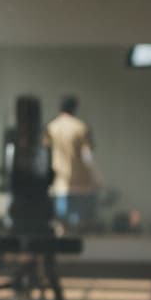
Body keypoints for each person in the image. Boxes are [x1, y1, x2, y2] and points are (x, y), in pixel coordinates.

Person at [43, 95, 99, 229]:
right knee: (77, 222)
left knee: (60, 221)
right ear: (75, 108)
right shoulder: (81, 127)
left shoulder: (51, 127)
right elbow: (87, 155)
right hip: (79, 181)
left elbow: (45, 152)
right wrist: (95, 176)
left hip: (58, 181)